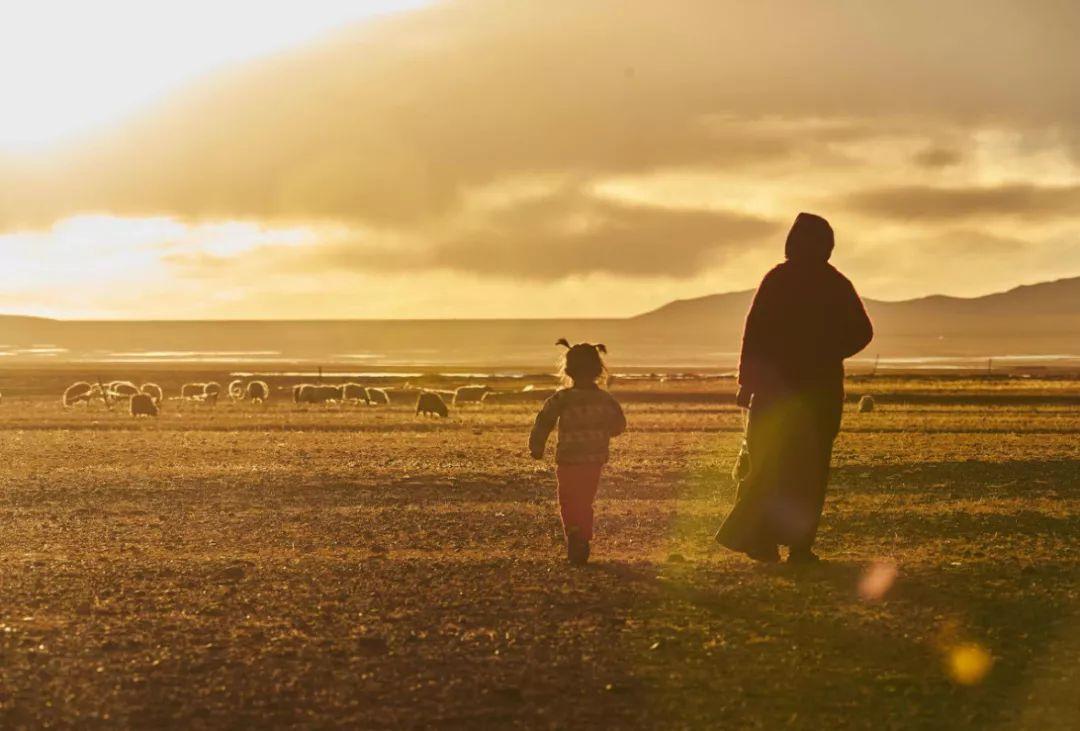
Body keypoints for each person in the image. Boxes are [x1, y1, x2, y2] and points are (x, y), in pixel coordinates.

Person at [716, 213, 873, 564]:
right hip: (819, 394)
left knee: (767, 465)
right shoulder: (835, 283)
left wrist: (748, 383)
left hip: (776, 392)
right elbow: (862, 332)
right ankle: (798, 547)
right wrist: (827, 352)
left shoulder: (778, 279)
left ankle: (761, 541)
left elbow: (753, 334)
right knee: (809, 471)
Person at [530, 339, 627, 565]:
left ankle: (575, 534)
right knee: (585, 500)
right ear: (597, 370)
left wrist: (537, 446)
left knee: (568, 499)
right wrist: (602, 432)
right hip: (594, 459)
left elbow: (543, 421)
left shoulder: (562, 398)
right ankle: (582, 536)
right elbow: (619, 426)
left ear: (568, 370)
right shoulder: (605, 399)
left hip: (568, 459)